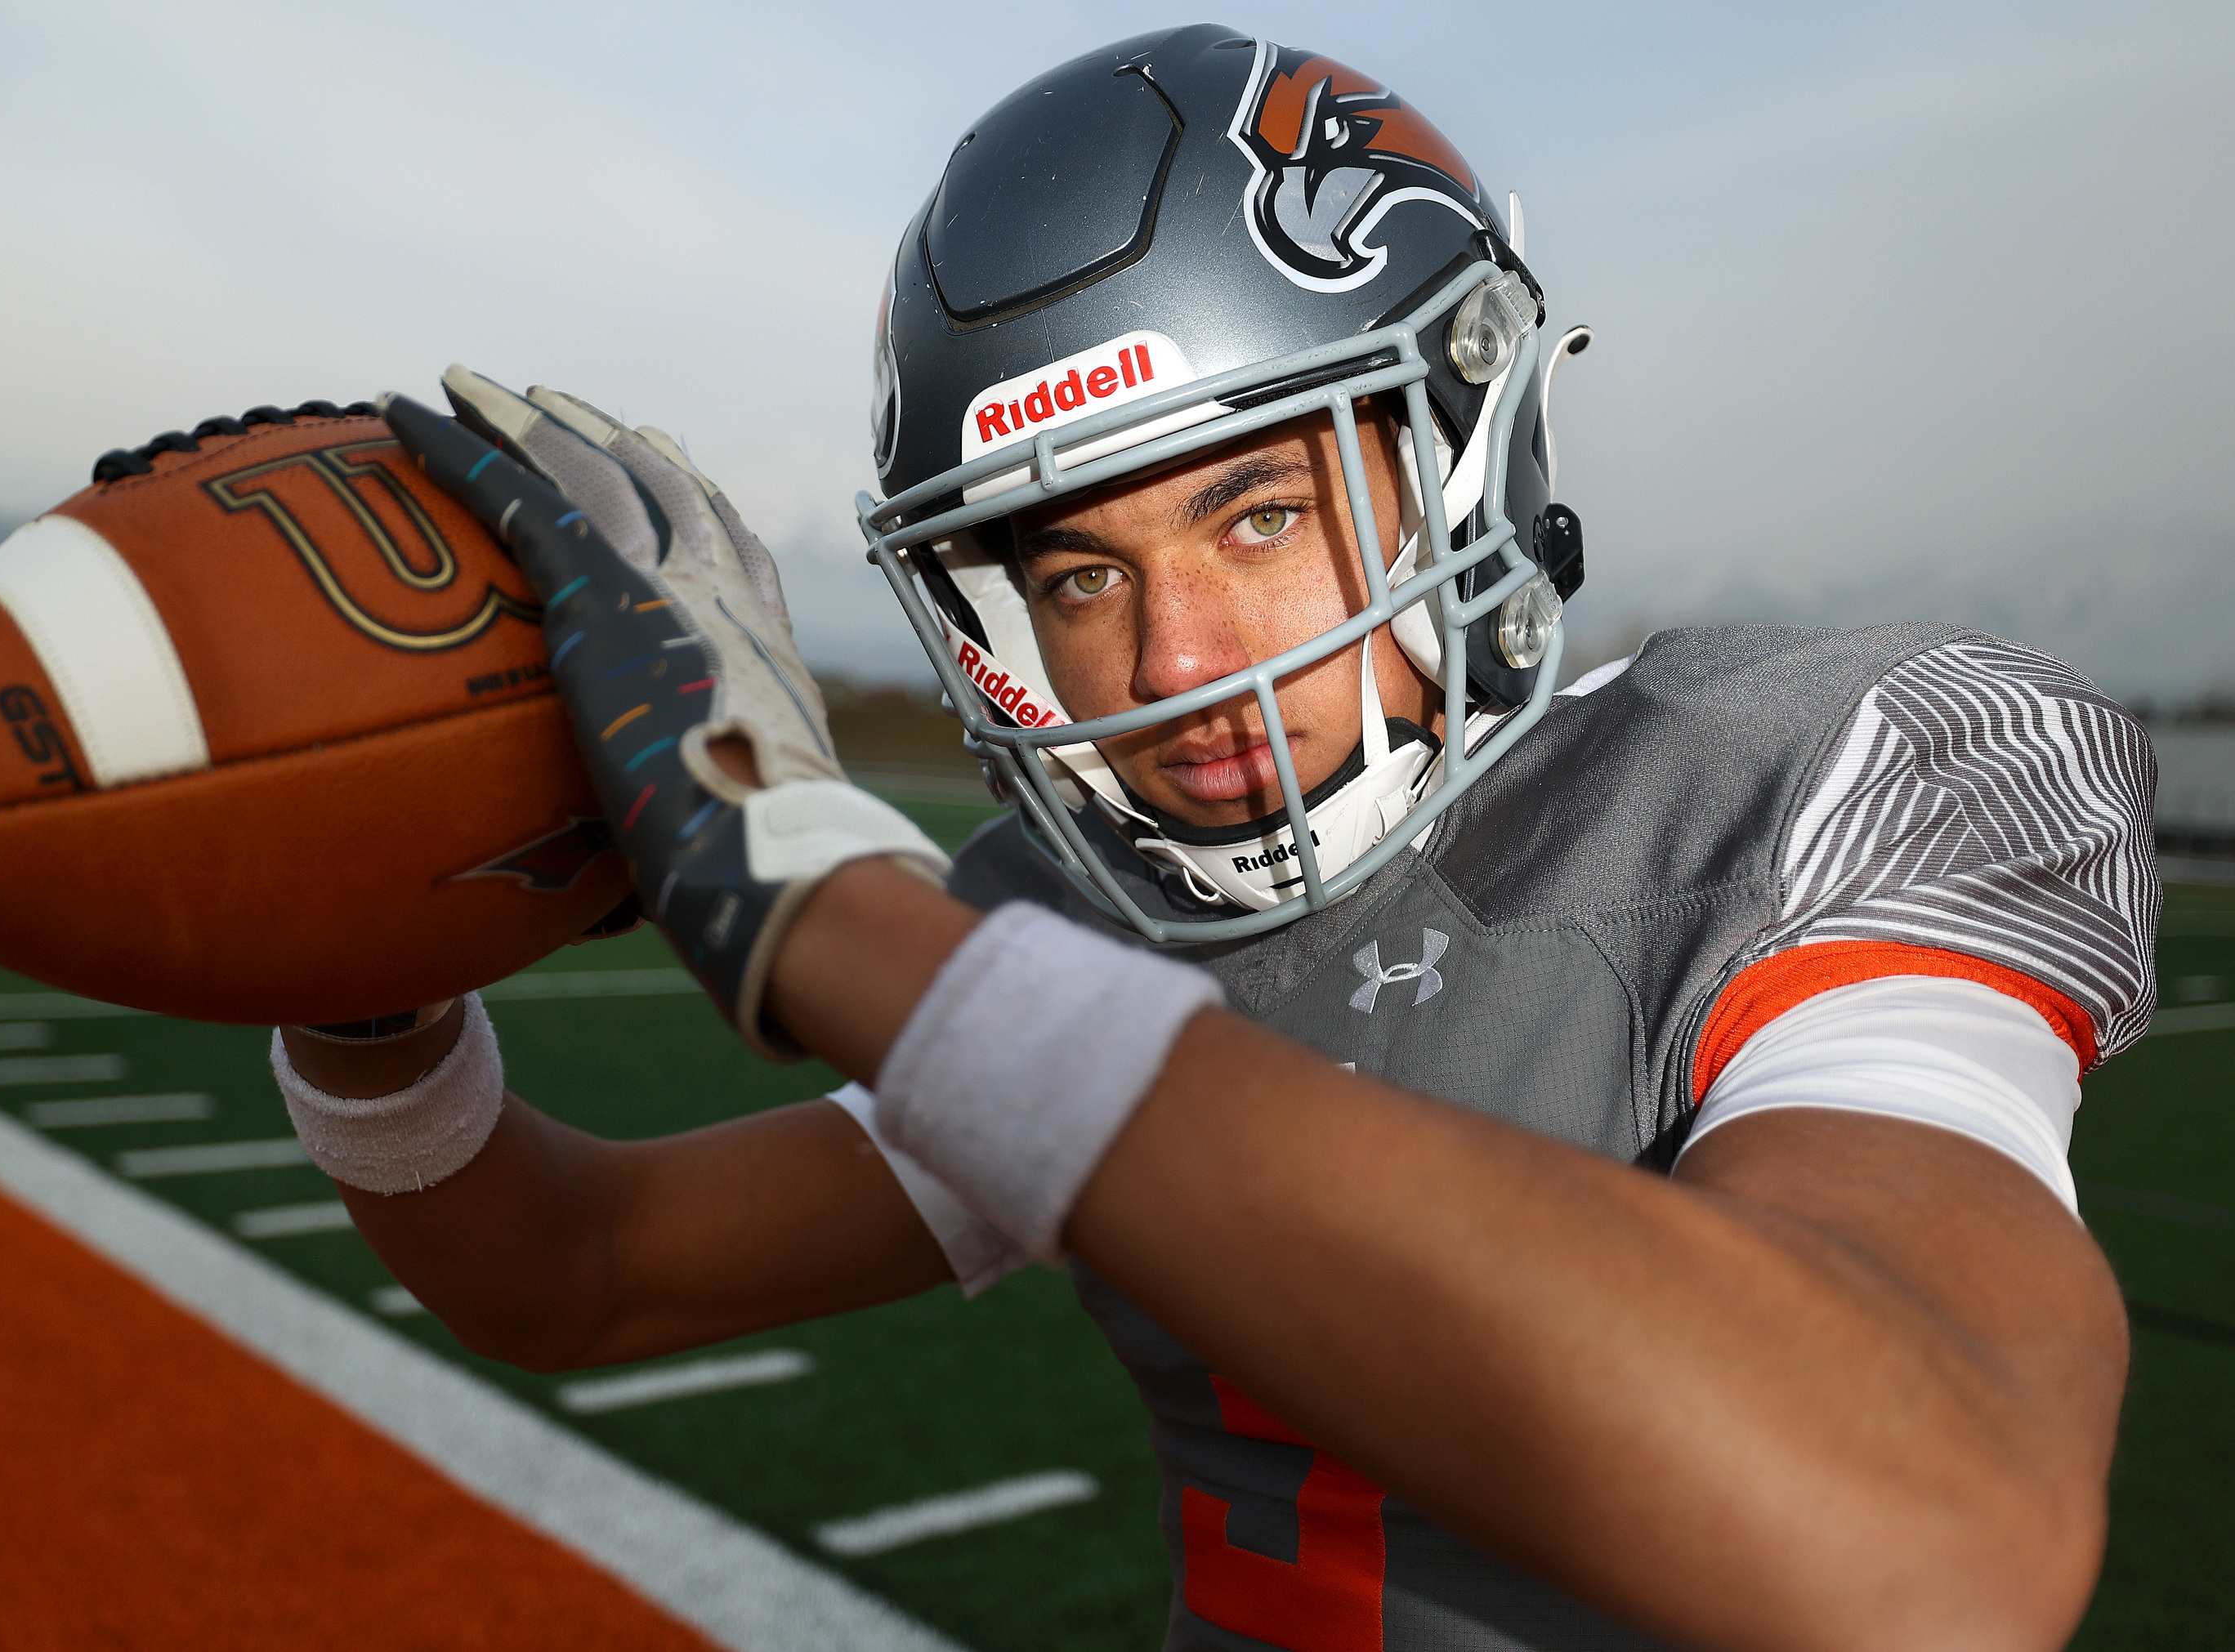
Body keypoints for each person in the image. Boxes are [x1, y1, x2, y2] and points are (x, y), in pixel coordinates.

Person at [279, 27, 2153, 1651]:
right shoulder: (1099, 929)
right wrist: (365, 995)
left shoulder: (1810, 773)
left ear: (1460, 456)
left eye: (1258, 516)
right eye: (1080, 575)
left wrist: (833, 908)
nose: (1173, 665)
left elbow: (1939, 1539)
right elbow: (582, 1269)